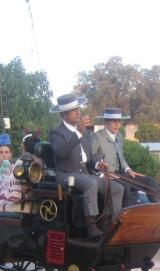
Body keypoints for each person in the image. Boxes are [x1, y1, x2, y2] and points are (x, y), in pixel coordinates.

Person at [48, 94, 124, 238]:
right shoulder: (57, 133)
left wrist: (98, 164)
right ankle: (91, 226)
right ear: (64, 115)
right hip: (66, 174)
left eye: (78, 109)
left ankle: (110, 223)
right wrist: (78, 132)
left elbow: (90, 157)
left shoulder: (85, 132)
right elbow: (61, 153)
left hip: (84, 174)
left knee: (117, 188)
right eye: (74, 110)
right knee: (90, 183)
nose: (79, 112)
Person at [91, 107, 160, 206]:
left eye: (119, 121)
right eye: (114, 121)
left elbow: (121, 157)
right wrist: (101, 174)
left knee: (150, 182)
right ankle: (129, 213)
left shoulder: (119, 137)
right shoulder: (96, 137)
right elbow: (89, 159)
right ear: (106, 122)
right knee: (125, 187)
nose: (117, 124)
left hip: (121, 175)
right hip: (106, 177)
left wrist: (128, 169)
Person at [0, 134, 23, 212]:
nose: (4, 155)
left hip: (11, 201)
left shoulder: (15, 169)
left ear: (11, 154)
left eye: (6, 152)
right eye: (1, 152)